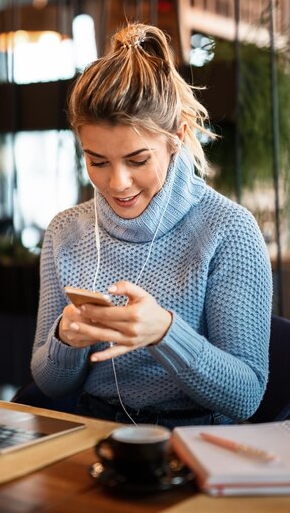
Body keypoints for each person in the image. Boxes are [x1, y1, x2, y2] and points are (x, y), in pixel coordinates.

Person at [30, 22, 273, 429]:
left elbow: (245, 396)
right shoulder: (65, 232)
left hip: (194, 440)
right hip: (94, 434)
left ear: (176, 137)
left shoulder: (229, 231)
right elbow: (50, 385)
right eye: (97, 161)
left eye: (138, 160)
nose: (117, 183)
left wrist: (164, 332)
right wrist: (65, 338)